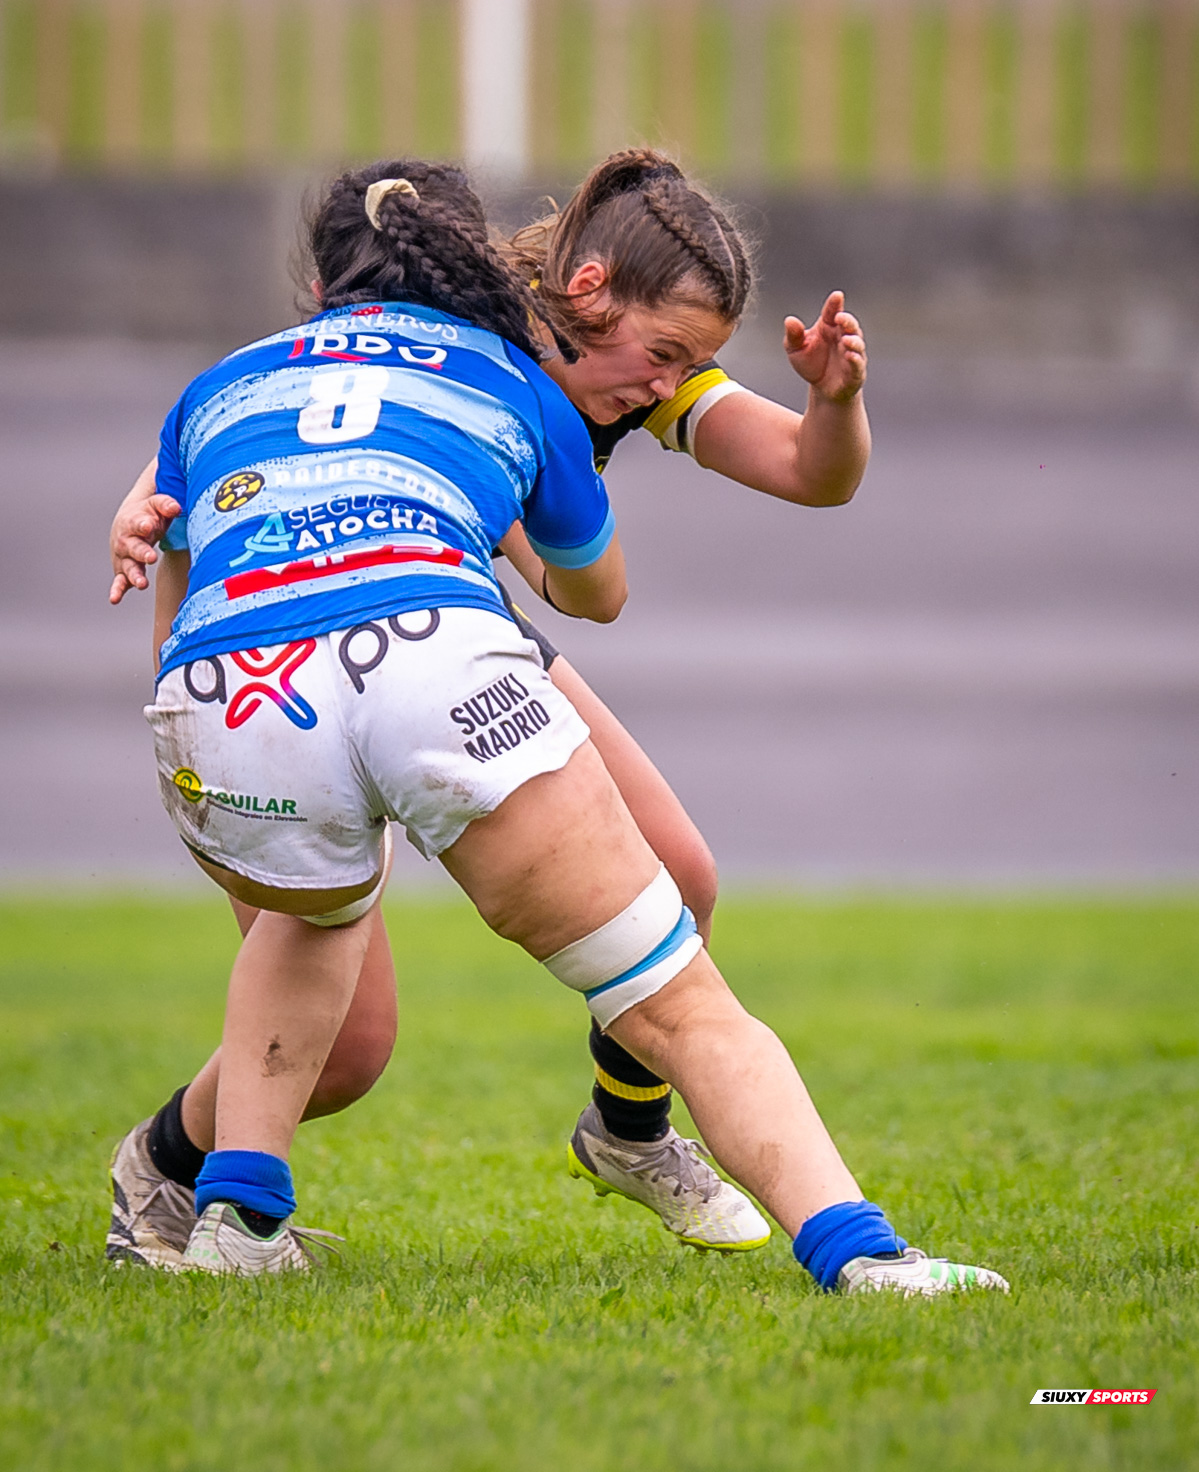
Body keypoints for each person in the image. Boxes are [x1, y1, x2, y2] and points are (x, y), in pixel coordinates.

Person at [109, 156, 1007, 1295]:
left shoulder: (628, 360)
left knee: (678, 875)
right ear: (585, 289)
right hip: (397, 628)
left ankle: (625, 1134)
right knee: (351, 1044)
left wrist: (832, 402)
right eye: (667, 357)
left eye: (691, 363)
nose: (672, 383)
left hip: (338, 646)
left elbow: (806, 473)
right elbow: (271, 429)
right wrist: (143, 510)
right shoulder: (488, 333)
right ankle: (169, 1166)